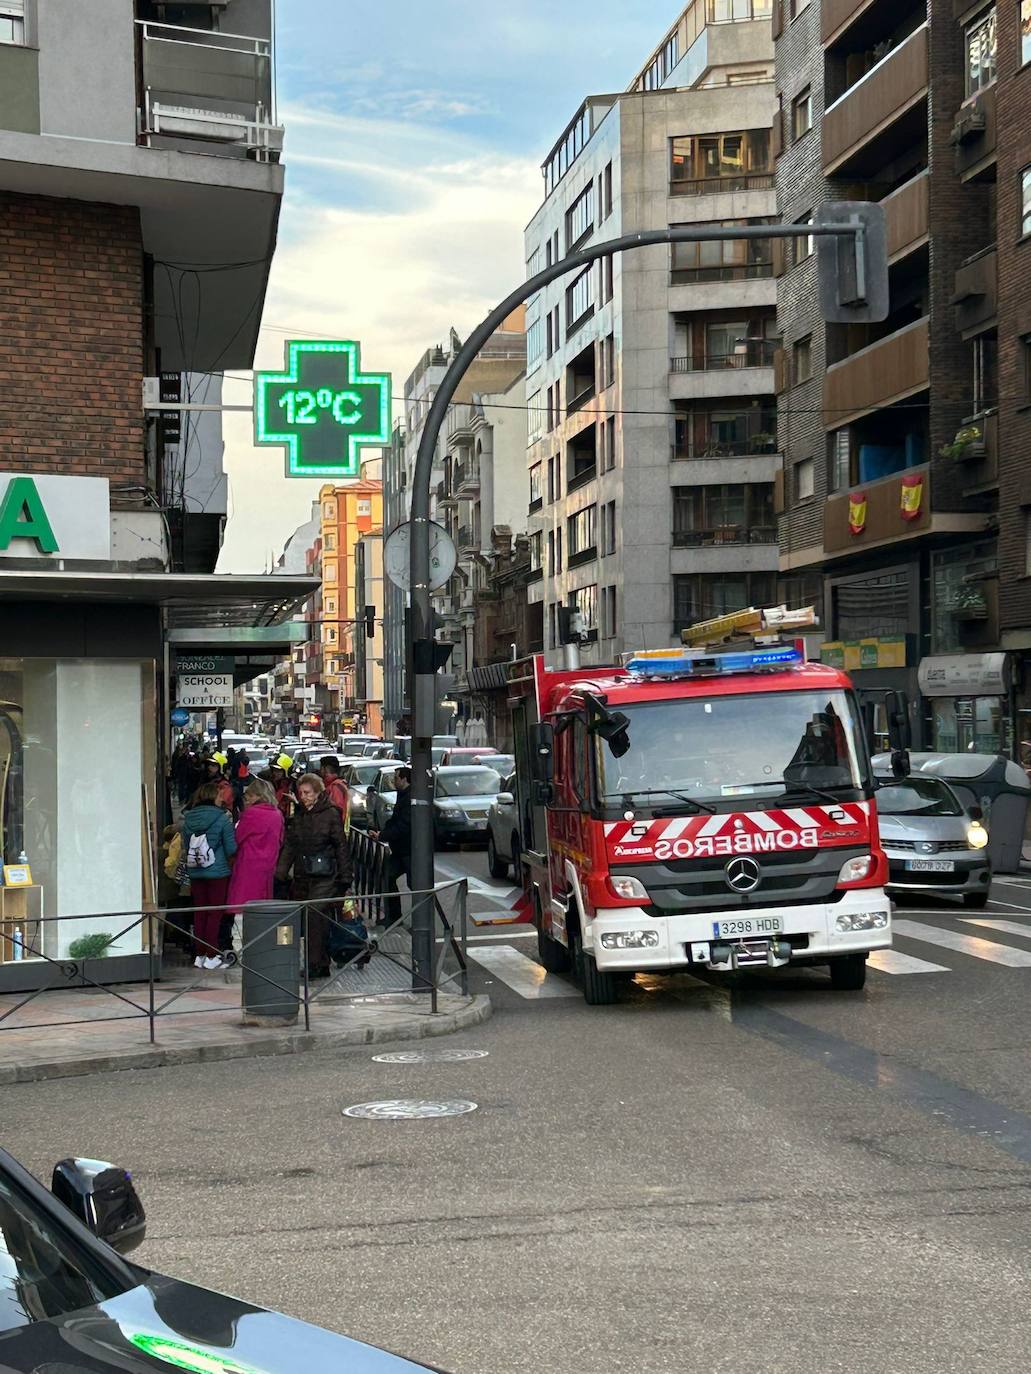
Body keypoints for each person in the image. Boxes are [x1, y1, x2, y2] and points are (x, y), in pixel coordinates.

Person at [275, 773, 353, 979]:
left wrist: (345, 877)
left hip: (325, 875)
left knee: (315, 917)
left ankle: (315, 965)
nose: (303, 797)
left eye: (307, 793)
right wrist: (280, 871)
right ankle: (320, 962)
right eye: (301, 793)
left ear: (318, 793)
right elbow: (291, 845)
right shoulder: (299, 815)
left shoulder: (330, 814)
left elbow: (341, 846)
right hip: (304, 875)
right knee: (311, 920)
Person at [180, 780, 237, 970]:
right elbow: (231, 848)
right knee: (215, 913)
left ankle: (200, 955)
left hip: (195, 870)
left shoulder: (188, 818)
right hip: (217, 871)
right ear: (213, 797)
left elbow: (185, 846)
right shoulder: (222, 819)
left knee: (200, 912)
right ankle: (212, 955)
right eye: (220, 795)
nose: (222, 798)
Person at [226, 777, 285, 941]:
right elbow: (280, 840)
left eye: (249, 796)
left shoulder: (251, 814)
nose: (247, 799)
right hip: (268, 865)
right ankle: (261, 944)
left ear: (257, 795)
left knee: (242, 908)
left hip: (248, 864)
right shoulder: (277, 814)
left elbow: (237, 838)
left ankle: (243, 948)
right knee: (261, 907)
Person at [375, 765, 411, 929]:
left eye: (396, 778)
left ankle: (422, 920)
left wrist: (383, 835)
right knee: (387, 876)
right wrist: (382, 833)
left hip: (410, 850)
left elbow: (404, 825)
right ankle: (394, 917)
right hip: (400, 850)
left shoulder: (410, 797)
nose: (393, 781)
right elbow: (396, 821)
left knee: (417, 886)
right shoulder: (402, 795)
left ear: (404, 779)